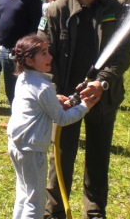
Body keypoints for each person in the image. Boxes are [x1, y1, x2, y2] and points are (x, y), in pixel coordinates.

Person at [38, 0, 130, 219]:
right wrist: (53, 91)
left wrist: (101, 83)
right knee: (60, 157)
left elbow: (123, 55)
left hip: (103, 97)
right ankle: (55, 212)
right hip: (65, 100)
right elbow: (42, 50)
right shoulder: (57, 10)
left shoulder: (118, 9)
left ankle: (94, 212)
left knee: (98, 157)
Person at [8, 35, 98, 219]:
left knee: (24, 193)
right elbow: (62, 119)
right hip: (32, 150)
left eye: (48, 51)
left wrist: (54, 100)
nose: (50, 57)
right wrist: (85, 106)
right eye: (43, 53)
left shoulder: (23, 78)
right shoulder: (43, 87)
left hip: (16, 144)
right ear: (29, 60)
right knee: (35, 202)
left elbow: (34, 102)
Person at [0, 0, 42, 107]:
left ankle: (24, 114)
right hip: (5, 50)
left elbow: (36, 24)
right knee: (9, 85)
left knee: (24, 84)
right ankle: (13, 114)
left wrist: (25, 47)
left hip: (23, 51)